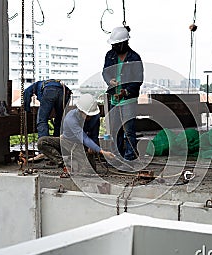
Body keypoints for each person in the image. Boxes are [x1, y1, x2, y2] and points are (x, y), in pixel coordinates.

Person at [38, 94, 114, 177]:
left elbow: (94, 134)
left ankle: (76, 161)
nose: (89, 117)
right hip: (67, 142)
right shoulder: (71, 118)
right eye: (87, 115)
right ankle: (65, 165)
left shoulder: (95, 117)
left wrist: (92, 146)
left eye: (90, 115)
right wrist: (102, 151)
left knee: (89, 171)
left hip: (81, 146)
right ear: (80, 110)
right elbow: (83, 137)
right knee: (42, 142)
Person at [102, 26, 144, 161]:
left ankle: (129, 157)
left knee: (129, 130)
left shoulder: (134, 57)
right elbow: (105, 72)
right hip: (113, 98)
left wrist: (125, 92)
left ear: (124, 43)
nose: (113, 47)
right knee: (115, 130)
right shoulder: (110, 55)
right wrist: (110, 81)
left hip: (128, 100)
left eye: (116, 44)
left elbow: (138, 80)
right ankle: (117, 156)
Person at [24, 79, 71, 161]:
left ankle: (43, 150)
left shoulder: (35, 85)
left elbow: (26, 93)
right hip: (64, 92)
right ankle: (57, 149)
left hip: (50, 91)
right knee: (59, 121)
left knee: (42, 120)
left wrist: (27, 109)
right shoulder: (50, 84)